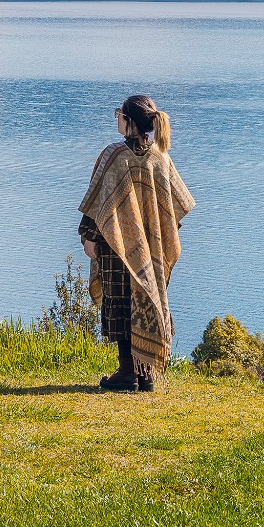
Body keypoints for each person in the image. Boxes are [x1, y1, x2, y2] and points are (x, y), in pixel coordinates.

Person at [78, 94, 195, 392]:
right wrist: (158, 234)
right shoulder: (161, 156)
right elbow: (175, 207)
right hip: (151, 248)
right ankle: (147, 374)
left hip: (115, 246)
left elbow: (96, 203)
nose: (116, 117)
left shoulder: (114, 156)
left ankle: (128, 373)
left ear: (129, 121)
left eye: (119, 114)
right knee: (143, 302)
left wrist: (88, 237)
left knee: (120, 304)